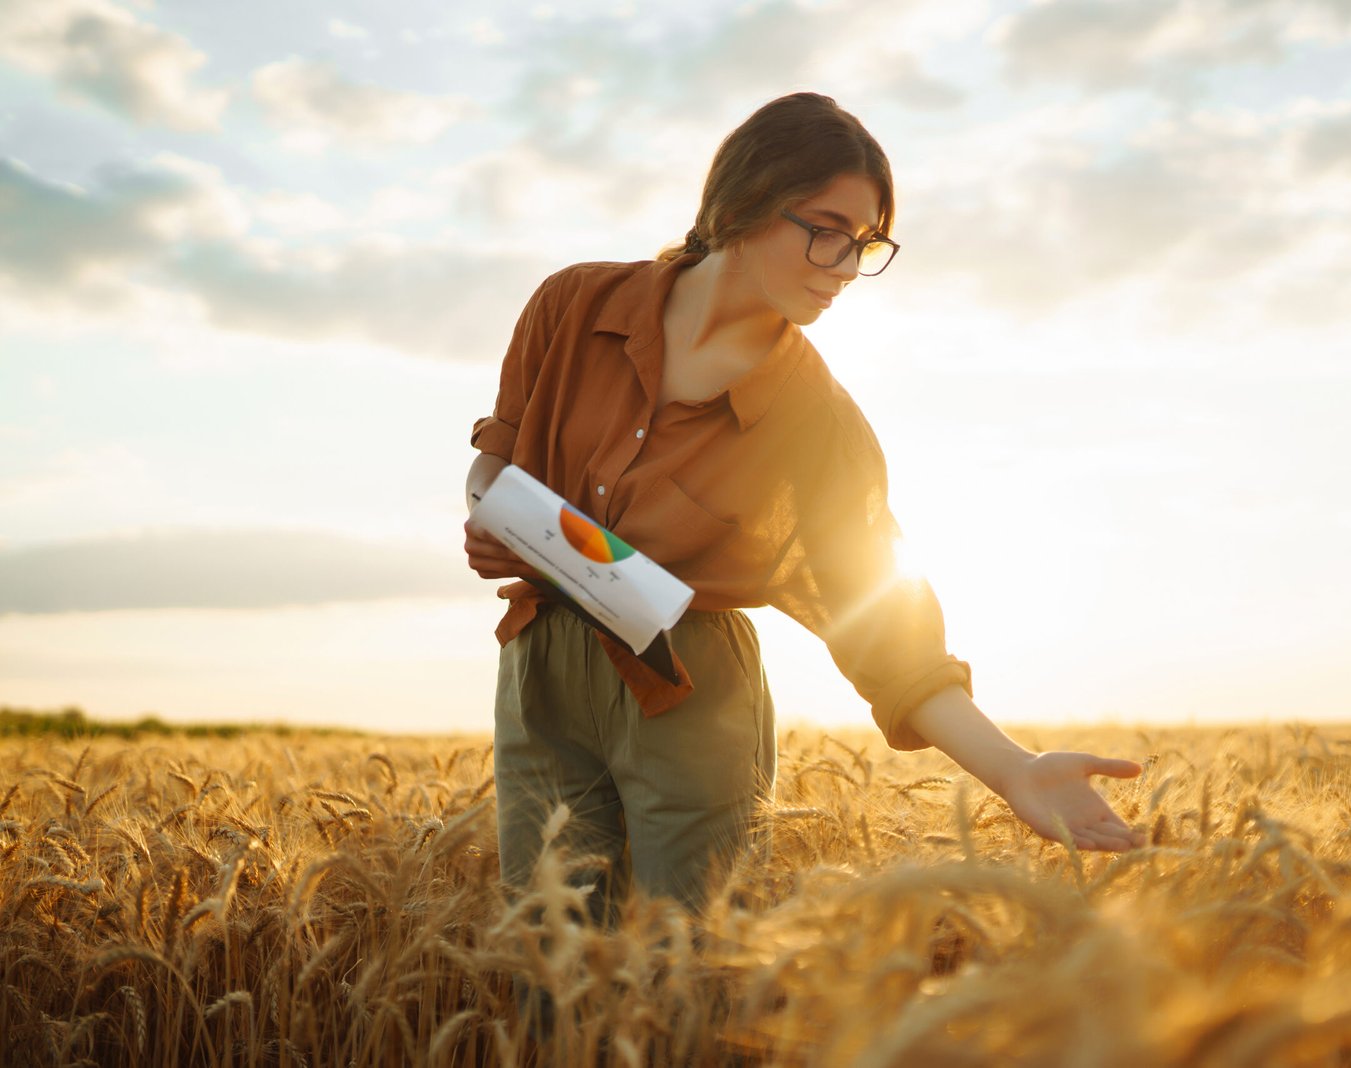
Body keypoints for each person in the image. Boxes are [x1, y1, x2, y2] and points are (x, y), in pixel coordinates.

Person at [464, 92, 1145, 921]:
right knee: (544, 956)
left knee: (688, 967)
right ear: (742, 201)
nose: (844, 266)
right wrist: (501, 521)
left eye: (864, 245)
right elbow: (492, 463)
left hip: (686, 688)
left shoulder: (815, 416)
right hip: (539, 667)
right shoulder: (572, 304)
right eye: (825, 229)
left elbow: (880, 619)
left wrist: (1014, 770)